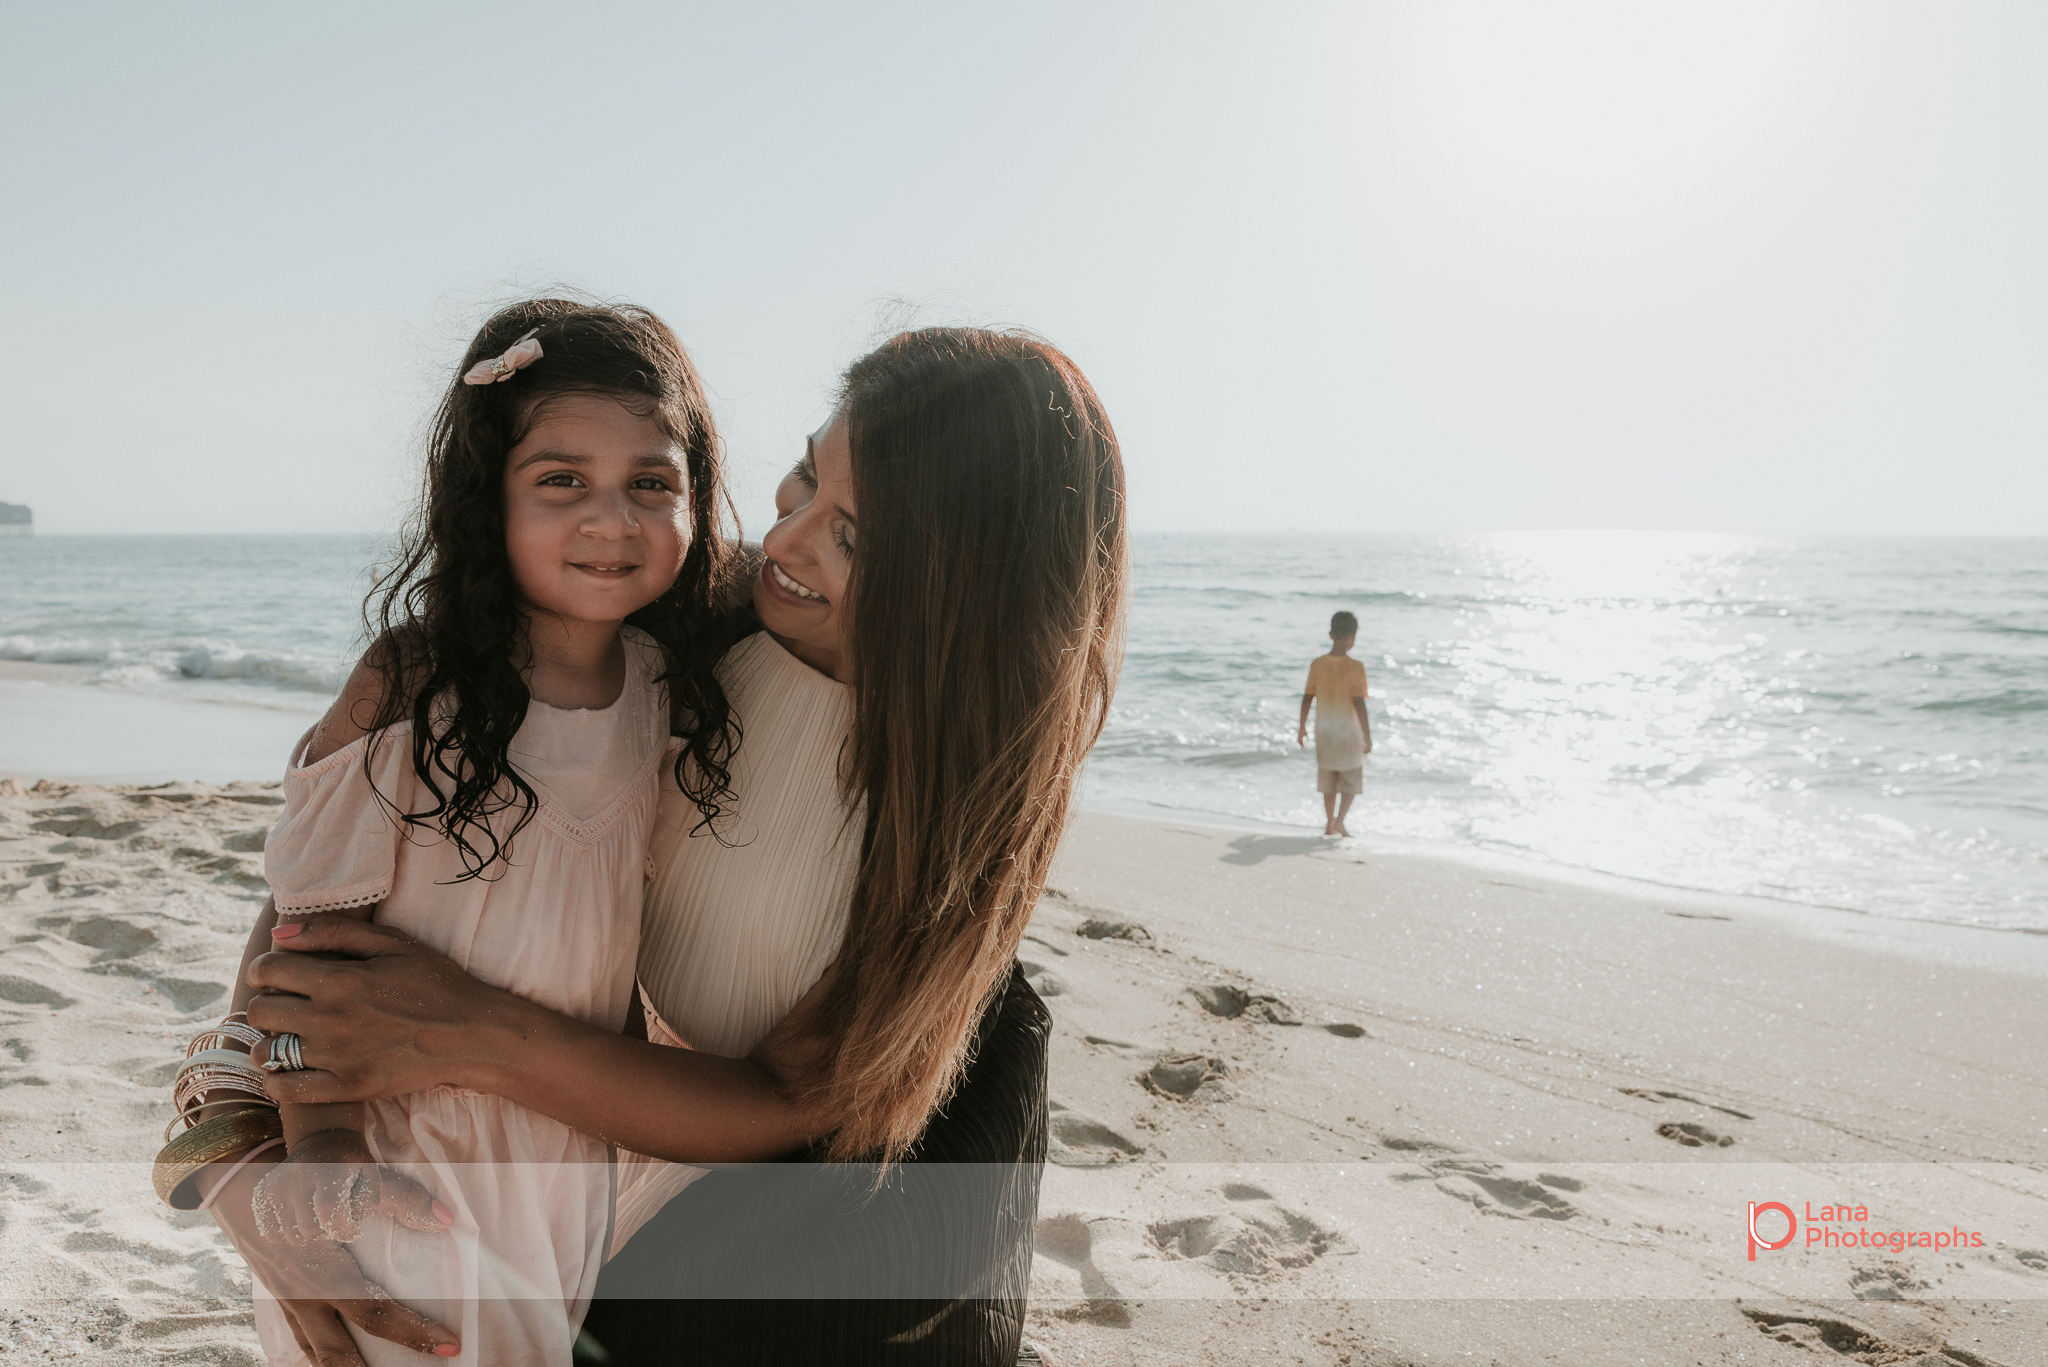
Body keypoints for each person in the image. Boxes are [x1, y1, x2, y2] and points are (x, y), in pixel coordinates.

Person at [195, 327, 1126, 1366]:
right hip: (607, 1141)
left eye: (854, 535)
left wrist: (467, 1030)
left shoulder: (963, 801)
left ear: (971, 581)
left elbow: (794, 1097)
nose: (784, 541)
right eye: (802, 476)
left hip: (853, 1198)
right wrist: (246, 1152)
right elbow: (332, 876)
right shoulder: (676, 633)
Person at [1296, 609, 1371, 836]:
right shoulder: (1355, 667)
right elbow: (1359, 703)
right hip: (1348, 733)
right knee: (1350, 779)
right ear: (1354, 637)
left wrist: (1301, 727)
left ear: (1330, 634)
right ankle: (1340, 820)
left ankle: (1329, 823)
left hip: (1325, 731)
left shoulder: (1317, 664)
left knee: (1328, 780)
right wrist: (1367, 735)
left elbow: (1307, 697)